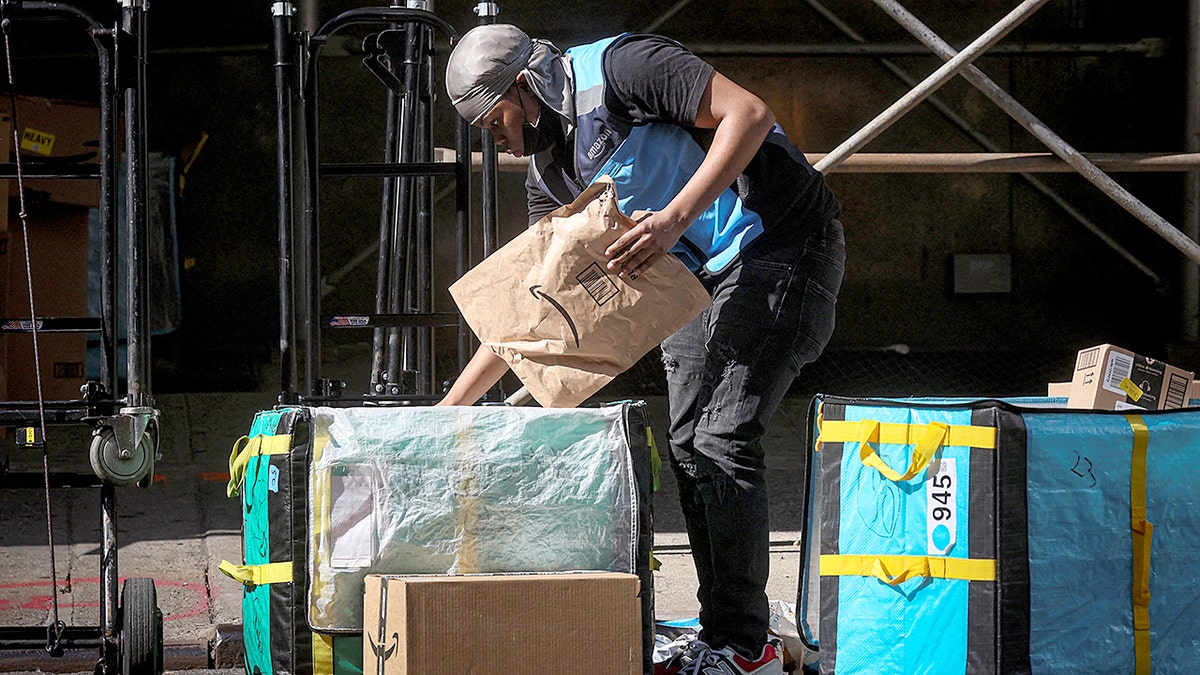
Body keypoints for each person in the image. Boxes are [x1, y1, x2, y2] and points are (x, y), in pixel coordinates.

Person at [439, 24, 844, 675]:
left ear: (522, 85)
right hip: (693, 277)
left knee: (721, 436)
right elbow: (535, 310)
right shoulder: (552, 175)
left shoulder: (623, 68)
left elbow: (749, 112)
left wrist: (673, 219)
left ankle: (747, 647)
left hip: (781, 241)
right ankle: (727, 631)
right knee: (687, 444)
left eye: (495, 122)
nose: (499, 140)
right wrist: (447, 412)